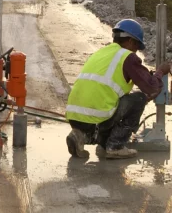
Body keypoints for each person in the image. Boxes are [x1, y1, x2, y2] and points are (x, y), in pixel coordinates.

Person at [65, 19, 171, 159]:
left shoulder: (101, 53)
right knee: (138, 98)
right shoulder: (127, 57)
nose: (136, 51)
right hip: (97, 117)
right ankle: (116, 145)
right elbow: (151, 87)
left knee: (118, 100)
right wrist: (160, 72)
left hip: (75, 117)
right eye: (137, 46)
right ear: (131, 42)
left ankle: (81, 136)